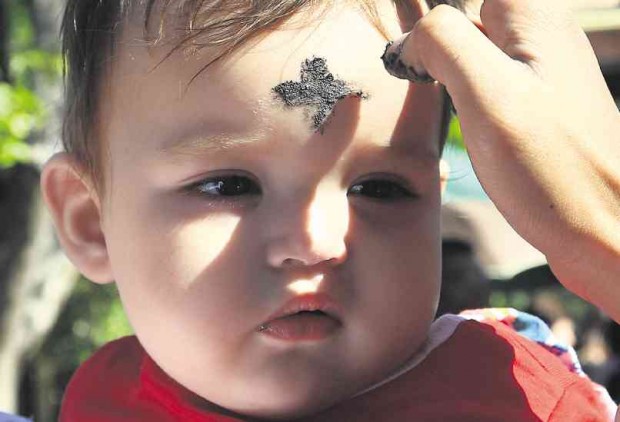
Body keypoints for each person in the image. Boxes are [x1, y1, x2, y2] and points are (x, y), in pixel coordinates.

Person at [40, 0, 620, 420]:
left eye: (380, 189)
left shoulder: (520, 399)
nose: (316, 240)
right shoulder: (103, 400)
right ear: (90, 223)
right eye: (227, 186)